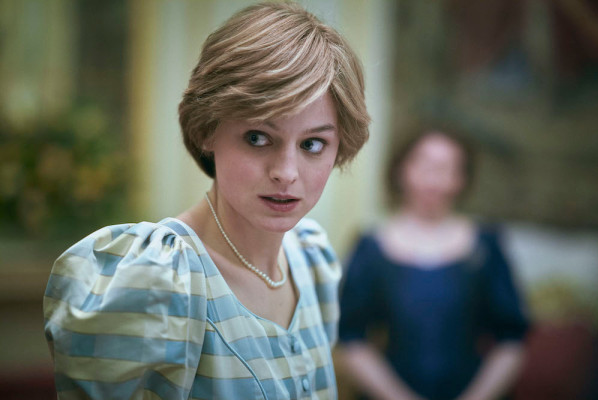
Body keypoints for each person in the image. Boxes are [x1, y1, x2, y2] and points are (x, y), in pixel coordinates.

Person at [43, 2, 370, 399]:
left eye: (312, 144)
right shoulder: (157, 279)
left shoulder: (312, 260)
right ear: (207, 130)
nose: (286, 172)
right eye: (258, 137)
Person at [337, 125, 529, 400]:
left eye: (446, 168)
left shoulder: (486, 247)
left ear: (462, 179)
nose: (433, 179)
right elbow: (350, 336)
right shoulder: (370, 247)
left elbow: (511, 339)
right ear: (401, 170)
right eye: (424, 165)